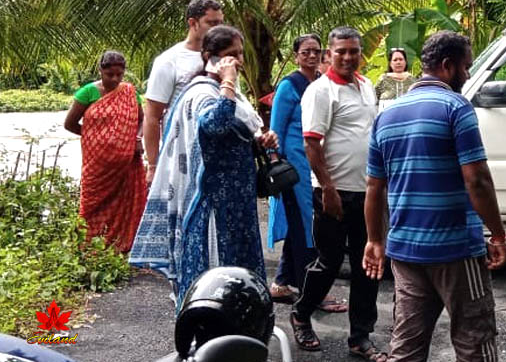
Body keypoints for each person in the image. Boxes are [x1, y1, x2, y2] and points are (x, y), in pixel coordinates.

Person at [363, 31, 506, 362]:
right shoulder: (456, 107)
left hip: (405, 252)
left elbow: (375, 187)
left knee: (407, 346)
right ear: (447, 65)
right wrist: (497, 234)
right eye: (466, 66)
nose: (468, 74)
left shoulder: (386, 116)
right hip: (456, 249)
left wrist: (374, 240)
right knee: (475, 342)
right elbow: (478, 181)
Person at [129, 25, 278, 308]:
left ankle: (243, 334)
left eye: (239, 54)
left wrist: (261, 141)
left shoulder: (227, 93)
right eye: (230, 55)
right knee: (217, 279)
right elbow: (216, 124)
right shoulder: (202, 93)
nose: (237, 60)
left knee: (242, 275)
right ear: (210, 57)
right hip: (214, 206)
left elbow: (235, 134)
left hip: (236, 202)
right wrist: (229, 81)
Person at [290, 27, 385, 361]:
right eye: (341, 51)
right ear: (329, 53)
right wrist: (327, 188)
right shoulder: (320, 91)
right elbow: (311, 144)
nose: (347, 57)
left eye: (354, 51)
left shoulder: (366, 86)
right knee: (328, 263)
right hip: (333, 194)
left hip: (368, 193)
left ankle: (360, 337)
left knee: (367, 267)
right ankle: (301, 314)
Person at [267, 33, 348, 313]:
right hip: (295, 165)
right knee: (307, 227)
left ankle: (280, 284)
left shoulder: (321, 84)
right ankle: (310, 293)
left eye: (316, 51)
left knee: (299, 226)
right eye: (306, 52)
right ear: (296, 56)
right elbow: (275, 128)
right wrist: (274, 160)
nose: (311, 56)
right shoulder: (289, 86)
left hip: (314, 161)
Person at [63, 50, 147, 253]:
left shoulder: (129, 92)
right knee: (91, 203)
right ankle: (89, 246)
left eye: (119, 75)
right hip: (97, 164)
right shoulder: (87, 93)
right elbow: (70, 123)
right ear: (101, 71)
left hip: (127, 163)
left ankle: (122, 245)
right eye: (110, 75)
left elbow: (141, 119)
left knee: (125, 203)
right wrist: (95, 138)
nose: (115, 79)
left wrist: (136, 138)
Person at [143, 0, 224, 184]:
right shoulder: (169, 60)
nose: (218, 29)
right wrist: (154, 166)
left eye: (220, 23)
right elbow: (152, 116)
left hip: (219, 152)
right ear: (193, 23)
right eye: (211, 23)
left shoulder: (224, 57)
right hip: (182, 153)